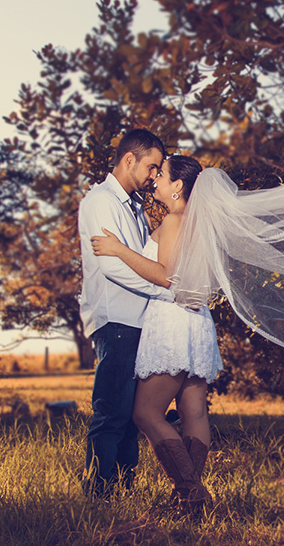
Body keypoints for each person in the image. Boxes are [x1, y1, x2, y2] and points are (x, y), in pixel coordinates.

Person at [91, 154, 223, 510]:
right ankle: (188, 500)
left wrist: (118, 249)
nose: (155, 180)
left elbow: (166, 275)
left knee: (145, 414)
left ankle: (192, 493)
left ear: (178, 186)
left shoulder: (175, 220)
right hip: (197, 322)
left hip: (172, 320)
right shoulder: (198, 223)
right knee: (194, 412)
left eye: (161, 174)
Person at [77, 128, 167, 496]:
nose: (154, 176)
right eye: (152, 166)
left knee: (130, 416)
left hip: (137, 320)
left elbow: (142, 259)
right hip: (117, 320)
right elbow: (112, 267)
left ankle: (124, 492)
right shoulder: (100, 201)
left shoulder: (133, 206)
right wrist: (163, 291)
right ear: (129, 159)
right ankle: (98, 493)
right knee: (111, 412)